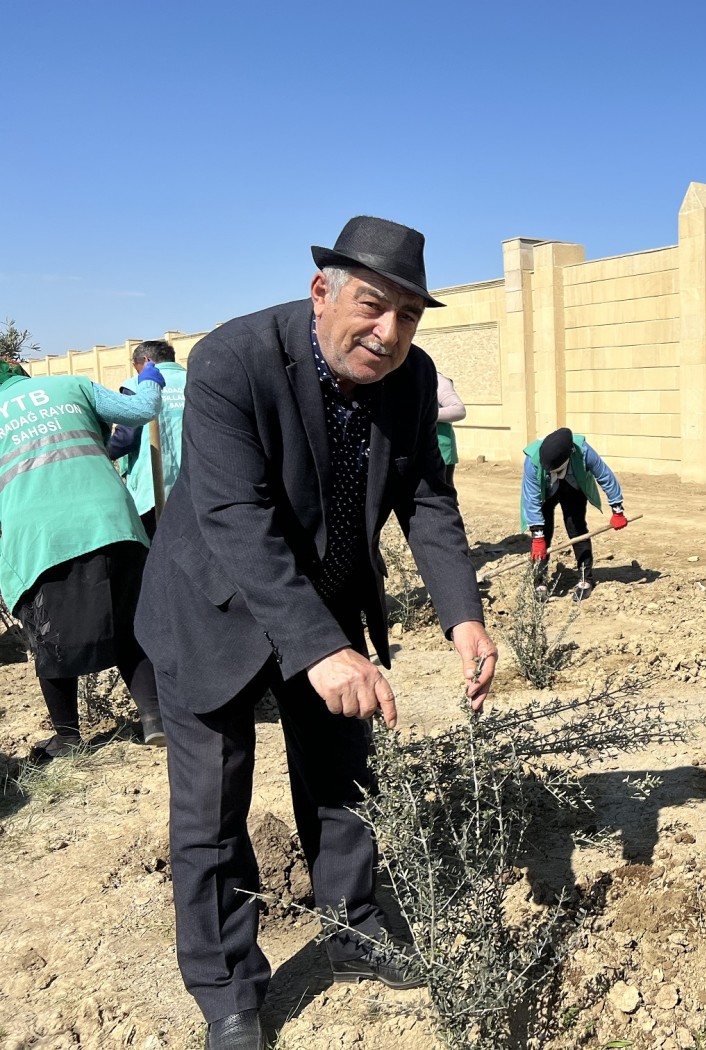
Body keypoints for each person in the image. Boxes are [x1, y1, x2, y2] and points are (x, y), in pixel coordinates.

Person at [135, 216, 500, 1050]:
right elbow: (236, 515)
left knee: (343, 780)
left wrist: (463, 614)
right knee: (211, 808)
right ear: (322, 292)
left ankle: (354, 932)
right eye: (374, 306)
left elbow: (428, 500)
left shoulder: (412, 380)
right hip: (212, 603)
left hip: (329, 597)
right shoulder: (234, 360)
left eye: (409, 316)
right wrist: (322, 649)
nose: (389, 332)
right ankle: (227, 989)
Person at [0, 360, 168, 759]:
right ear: (16, 368)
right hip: (109, 519)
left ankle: (68, 737)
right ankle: (155, 719)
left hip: (40, 535)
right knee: (131, 622)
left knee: (50, 636)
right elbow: (140, 413)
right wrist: (148, 382)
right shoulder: (72, 384)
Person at [520, 427, 626, 600]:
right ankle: (540, 582)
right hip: (544, 492)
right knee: (542, 535)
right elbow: (531, 499)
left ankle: (586, 579)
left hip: (573, 487)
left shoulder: (582, 450)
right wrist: (537, 535)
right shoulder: (532, 461)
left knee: (577, 528)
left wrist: (617, 509)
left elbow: (605, 475)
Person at [106, 339, 187, 537]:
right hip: (196, 486)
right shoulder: (195, 380)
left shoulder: (137, 384)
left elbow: (126, 437)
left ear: (146, 360)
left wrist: (101, 453)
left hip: (153, 488)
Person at [435, 371, 465, 490]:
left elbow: (459, 410)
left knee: (441, 499)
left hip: (441, 452)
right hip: (416, 453)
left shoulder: (437, 379)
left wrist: (425, 414)